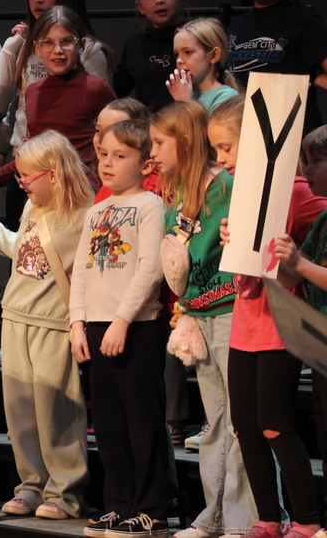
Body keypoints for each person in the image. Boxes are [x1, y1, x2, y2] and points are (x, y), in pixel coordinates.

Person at [150, 101, 256, 538]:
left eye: (159, 142)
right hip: (200, 316)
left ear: (186, 143)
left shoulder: (228, 186)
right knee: (215, 424)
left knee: (241, 423)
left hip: (234, 313)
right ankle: (212, 515)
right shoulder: (176, 195)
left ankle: (247, 521)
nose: (152, 152)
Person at [223, 105, 326, 538]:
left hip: (280, 323)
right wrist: (233, 242)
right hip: (245, 320)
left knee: (274, 423)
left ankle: (307, 519)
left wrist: (291, 258)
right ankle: (269, 516)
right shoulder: (242, 193)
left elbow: (296, 268)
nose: (223, 157)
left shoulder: (297, 193)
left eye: (227, 147)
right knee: (245, 425)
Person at [69, 119, 172, 537]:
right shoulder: (96, 210)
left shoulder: (150, 205)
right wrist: (77, 323)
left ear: (146, 163)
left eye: (120, 156)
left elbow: (150, 268)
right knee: (108, 423)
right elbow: (81, 270)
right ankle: (118, 502)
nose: (107, 163)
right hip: (95, 325)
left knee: (141, 420)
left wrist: (122, 320)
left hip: (136, 327)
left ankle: (151, 508)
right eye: (104, 154)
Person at [0, 130, 93, 520]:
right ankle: (30, 486)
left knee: (56, 410)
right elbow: (25, 251)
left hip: (53, 322)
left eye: (27, 177)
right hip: (16, 316)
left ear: (54, 173)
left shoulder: (85, 215)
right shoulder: (34, 207)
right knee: (21, 411)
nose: (21, 183)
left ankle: (66, 492)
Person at [0, 0, 114, 226]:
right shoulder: (32, 77)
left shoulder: (91, 68)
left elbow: (110, 129)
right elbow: (23, 118)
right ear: (38, 47)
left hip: (78, 188)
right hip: (32, 178)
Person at [228, 0, 327, 134]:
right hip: (245, 129)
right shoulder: (237, 25)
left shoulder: (303, 20)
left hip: (292, 131)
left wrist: (318, 79)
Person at [23, 6, 117, 183]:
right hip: (43, 189)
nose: (57, 50)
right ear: (37, 48)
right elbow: (35, 150)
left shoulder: (95, 88)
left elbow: (121, 140)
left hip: (85, 190)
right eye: (48, 42)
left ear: (80, 45)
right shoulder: (33, 92)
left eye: (66, 41)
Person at [113, 0, 188, 111]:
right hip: (147, 127)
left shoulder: (194, 38)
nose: (160, 0)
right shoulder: (134, 44)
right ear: (140, 6)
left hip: (185, 120)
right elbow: (117, 90)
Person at [166, 18, 240, 112]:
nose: (179, 60)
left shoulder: (226, 97)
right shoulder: (184, 93)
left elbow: (197, 127)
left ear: (214, 56)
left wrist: (184, 102)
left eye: (188, 52)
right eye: (176, 54)